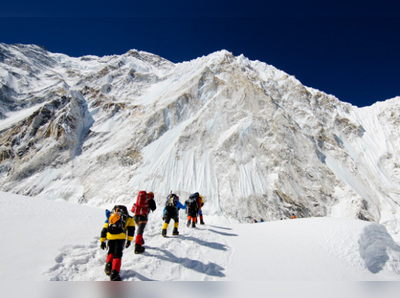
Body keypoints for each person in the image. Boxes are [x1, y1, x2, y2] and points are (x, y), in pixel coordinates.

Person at [100, 205, 135, 281]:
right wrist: (129, 240)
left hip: (110, 236)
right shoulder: (129, 218)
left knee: (110, 251)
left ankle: (108, 267)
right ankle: (114, 274)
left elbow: (104, 229)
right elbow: (131, 230)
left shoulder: (111, 216)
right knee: (117, 254)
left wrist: (102, 241)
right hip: (120, 237)